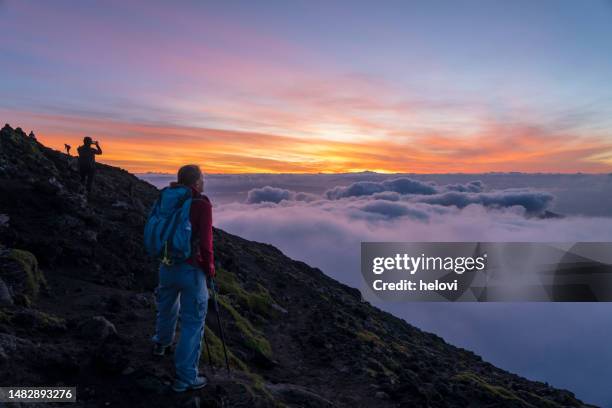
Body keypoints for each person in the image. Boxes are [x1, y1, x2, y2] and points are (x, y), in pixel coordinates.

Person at [151, 164, 215, 392]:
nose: (204, 182)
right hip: (191, 269)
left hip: (166, 264)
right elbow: (206, 243)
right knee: (193, 322)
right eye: (202, 178)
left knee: (166, 306)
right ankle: (186, 377)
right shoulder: (201, 203)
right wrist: (210, 268)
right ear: (196, 182)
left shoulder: (166, 197)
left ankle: (161, 344)